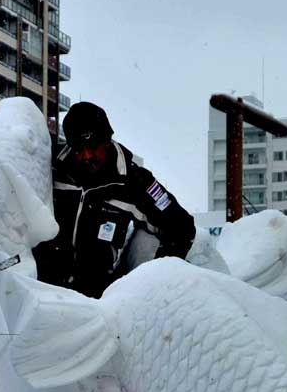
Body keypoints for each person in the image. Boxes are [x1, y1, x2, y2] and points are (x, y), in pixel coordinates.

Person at [33, 101, 196, 299]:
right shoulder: (49, 166)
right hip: (40, 294)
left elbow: (181, 227)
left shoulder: (134, 183)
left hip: (95, 303)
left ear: (107, 139)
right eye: (78, 149)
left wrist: (155, 281)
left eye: (92, 147)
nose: (86, 156)